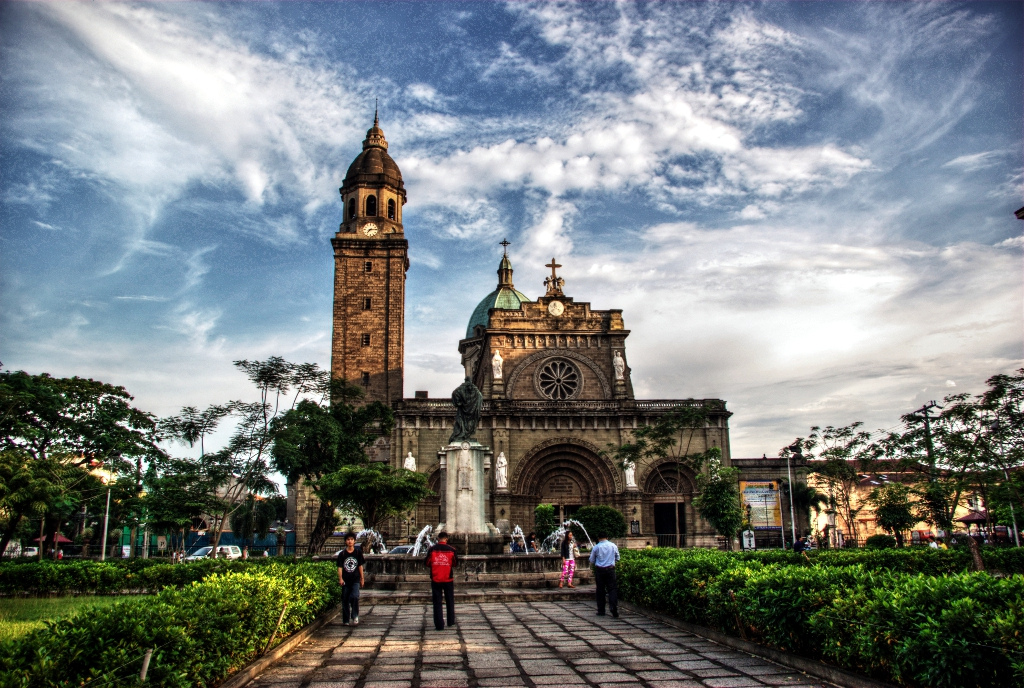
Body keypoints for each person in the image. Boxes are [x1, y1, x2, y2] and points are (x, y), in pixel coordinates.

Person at [425, 531, 458, 631]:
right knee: (450, 600)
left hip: (436, 578)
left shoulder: (432, 549)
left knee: (437, 602)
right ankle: (450, 621)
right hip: (448, 578)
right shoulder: (452, 550)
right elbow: (455, 563)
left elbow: (427, 562)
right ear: (446, 539)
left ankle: (439, 625)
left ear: (438, 538)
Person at [336, 533, 365, 626]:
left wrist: (362, 578)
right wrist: (340, 578)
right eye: (348, 539)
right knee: (345, 600)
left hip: (355, 579)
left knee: (355, 596)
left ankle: (355, 615)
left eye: (352, 539)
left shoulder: (357, 553)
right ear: (345, 541)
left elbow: (360, 566)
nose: (350, 541)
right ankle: (346, 620)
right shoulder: (342, 554)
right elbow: (340, 567)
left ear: (354, 541)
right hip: (345, 580)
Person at [589, 531, 620, 617]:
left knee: (600, 590)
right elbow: (618, 557)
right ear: (607, 537)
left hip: (600, 570)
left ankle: (601, 610)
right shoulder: (613, 546)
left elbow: (591, 560)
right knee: (612, 589)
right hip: (610, 570)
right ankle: (613, 607)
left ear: (598, 538)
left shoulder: (596, 547)